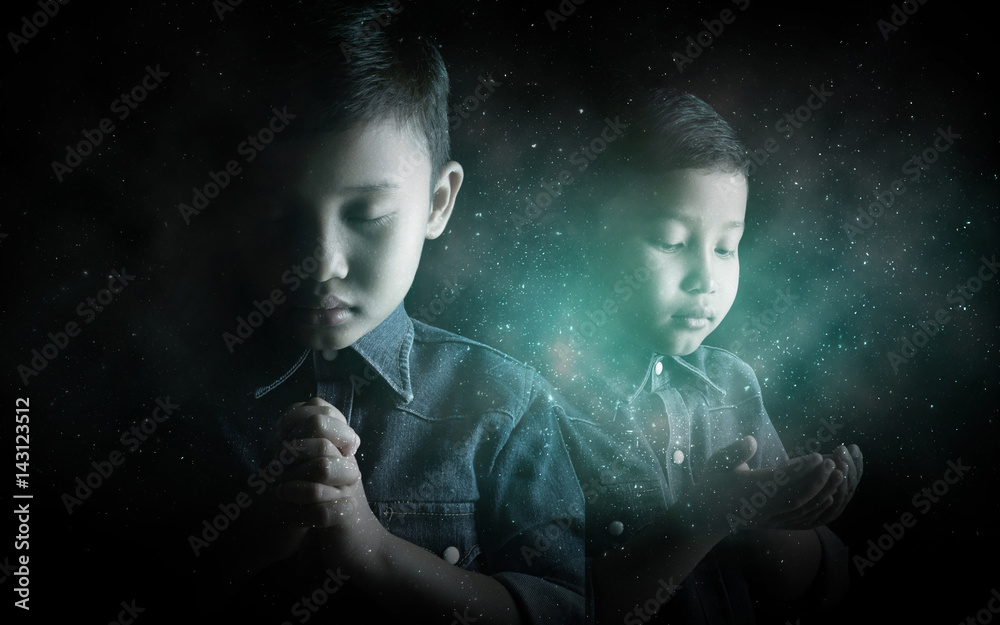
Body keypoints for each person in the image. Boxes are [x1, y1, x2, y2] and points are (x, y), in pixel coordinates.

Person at [106, 2, 586, 623]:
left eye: (367, 216)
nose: (321, 263)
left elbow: (564, 613)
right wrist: (245, 543)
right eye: (282, 218)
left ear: (438, 203)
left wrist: (373, 550)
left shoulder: (506, 404)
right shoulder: (168, 405)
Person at [548, 89, 863, 624]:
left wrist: (790, 514)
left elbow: (806, 589)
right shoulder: (539, 400)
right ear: (590, 230)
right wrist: (704, 518)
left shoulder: (730, 384)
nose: (706, 279)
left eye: (725, 248)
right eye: (671, 243)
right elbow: (550, 610)